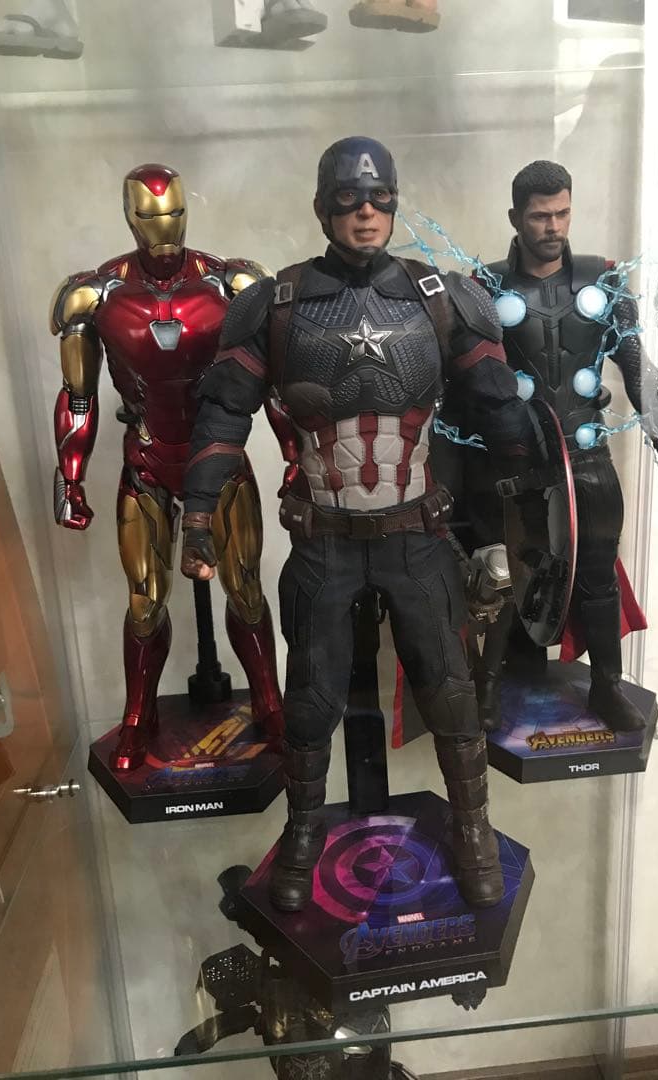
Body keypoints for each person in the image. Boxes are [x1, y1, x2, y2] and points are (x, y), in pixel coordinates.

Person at [180, 136, 536, 912]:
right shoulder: (275, 304)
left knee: (450, 691)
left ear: (396, 202)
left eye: (380, 198)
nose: (367, 212)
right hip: (324, 539)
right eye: (349, 198)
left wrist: (523, 511)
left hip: (416, 535)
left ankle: (473, 826)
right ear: (322, 207)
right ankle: (304, 830)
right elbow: (223, 415)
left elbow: (499, 407)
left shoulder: (442, 297)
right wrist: (198, 512)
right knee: (311, 700)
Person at [50, 163, 283, 772]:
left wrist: (295, 458)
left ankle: (268, 702)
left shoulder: (234, 283)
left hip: (218, 455)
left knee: (246, 588)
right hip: (148, 458)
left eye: (175, 214)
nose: (165, 230)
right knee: (145, 601)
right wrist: (69, 479)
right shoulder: (93, 296)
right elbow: (78, 396)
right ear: (130, 218)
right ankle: (139, 716)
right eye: (152, 218)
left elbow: (273, 382)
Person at [467, 160, 658, 732]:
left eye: (562, 213)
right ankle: (487, 688)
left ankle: (606, 686)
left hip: (586, 454)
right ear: (515, 217)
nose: (553, 226)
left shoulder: (604, 281)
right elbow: (466, 382)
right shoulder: (485, 287)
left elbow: (637, 369)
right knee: (506, 573)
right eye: (540, 216)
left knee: (597, 571)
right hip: (516, 459)